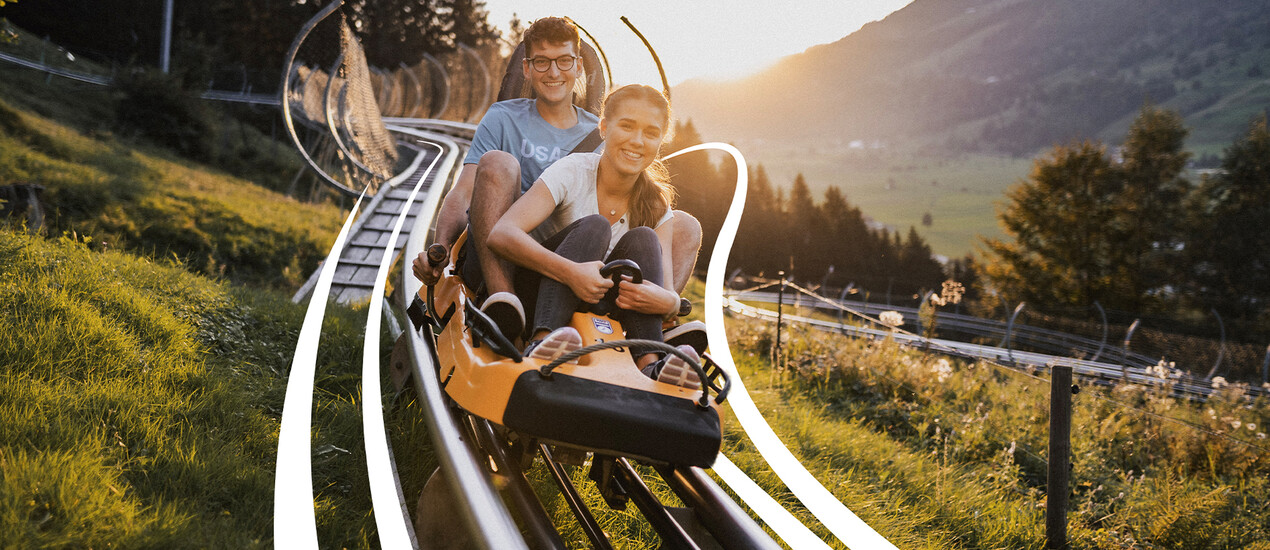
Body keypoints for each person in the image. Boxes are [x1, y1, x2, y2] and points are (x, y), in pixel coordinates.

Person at [412, 16, 702, 342]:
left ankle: (653, 319)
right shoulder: (503, 118)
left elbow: (629, 200)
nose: (553, 73)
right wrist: (441, 247)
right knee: (498, 163)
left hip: (577, 252)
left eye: (564, 61)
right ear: (526, 68)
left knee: (685, 225)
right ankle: (504, 307)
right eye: (542, 62)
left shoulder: (606, 131)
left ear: (578, 67)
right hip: (505, 253)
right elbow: (464, 191)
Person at [487, 84, 700, 388]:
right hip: (542, 296)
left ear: (660, 141)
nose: (637, 141)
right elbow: (502, 234)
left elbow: (664, 290)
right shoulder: (574, 171)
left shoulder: (655, 204)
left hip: (601, 311)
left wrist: (668, 302)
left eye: (651, 133)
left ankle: (650, 364)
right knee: (595, 226)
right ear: (603, 127)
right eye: (626, 126)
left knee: (643, 239)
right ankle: (542, 342)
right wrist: (571, 272)